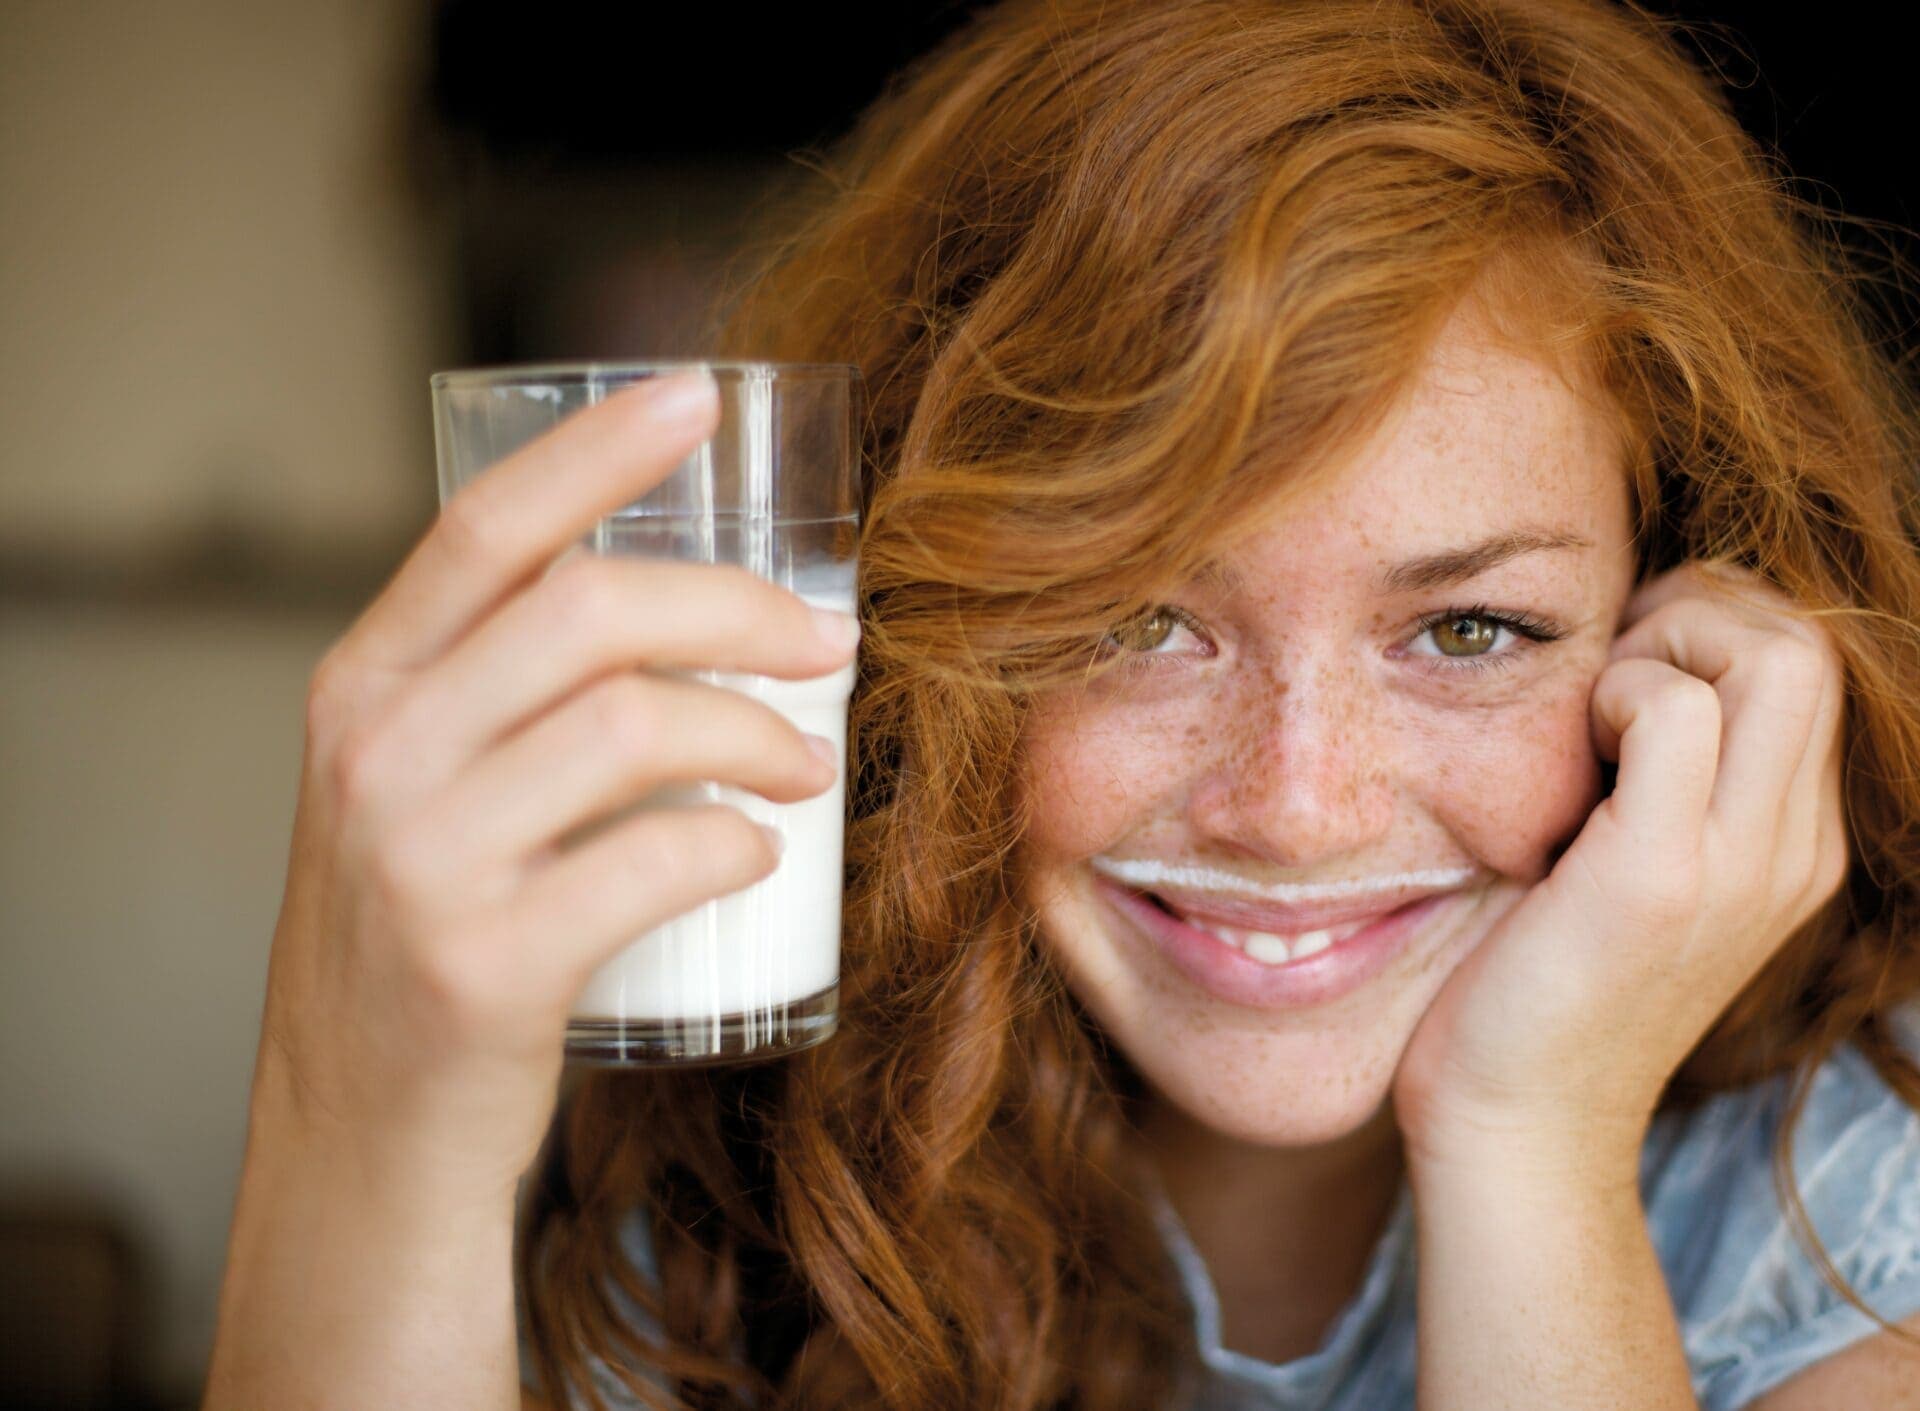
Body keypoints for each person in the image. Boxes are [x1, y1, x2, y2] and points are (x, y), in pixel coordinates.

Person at [201, 0, 1920, 1407]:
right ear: (916, 623)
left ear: (1686, 630)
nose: (1296, 805)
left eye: (1471, 631)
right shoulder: (708, 1151)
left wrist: (1530, 1143)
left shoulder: (1847, 1205)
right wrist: (357, 1122)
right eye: (1134, 619)